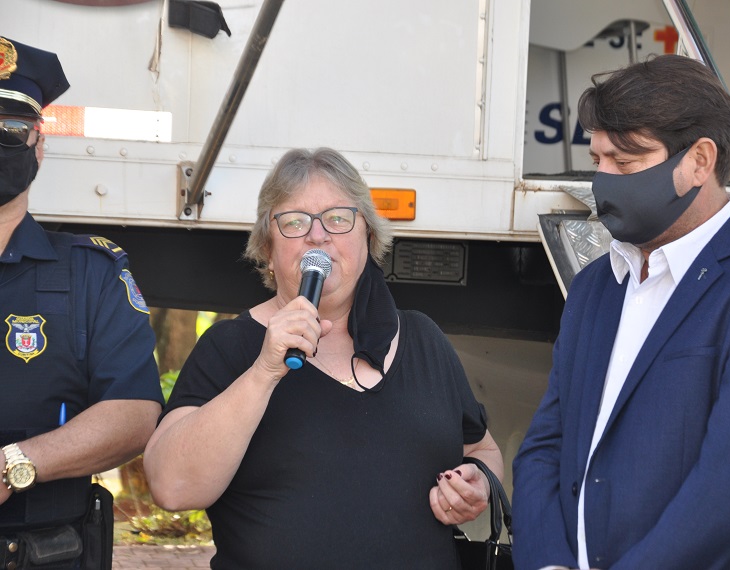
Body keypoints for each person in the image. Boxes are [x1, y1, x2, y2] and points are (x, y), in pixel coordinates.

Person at [512, 54, 730, 570]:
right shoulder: (597, 287)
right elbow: (545, 450)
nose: (603, 180)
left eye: (626, 162)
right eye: (598, 160)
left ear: (699, 161)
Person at [143, 147, 503, 569]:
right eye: (295, 222)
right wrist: (264, 372)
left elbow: (481, 447)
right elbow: (172, 487)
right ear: (267, 247)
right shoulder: (230, 348)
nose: (318, 236)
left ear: (367, 236)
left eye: (337, 217)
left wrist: (480, 484)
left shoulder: (423, 339)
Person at [0, 36, 164, 568]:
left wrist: (14, 466)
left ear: (38, 146)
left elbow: (136, 413)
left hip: (42, 553)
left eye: (9, 131)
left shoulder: (90, 274)